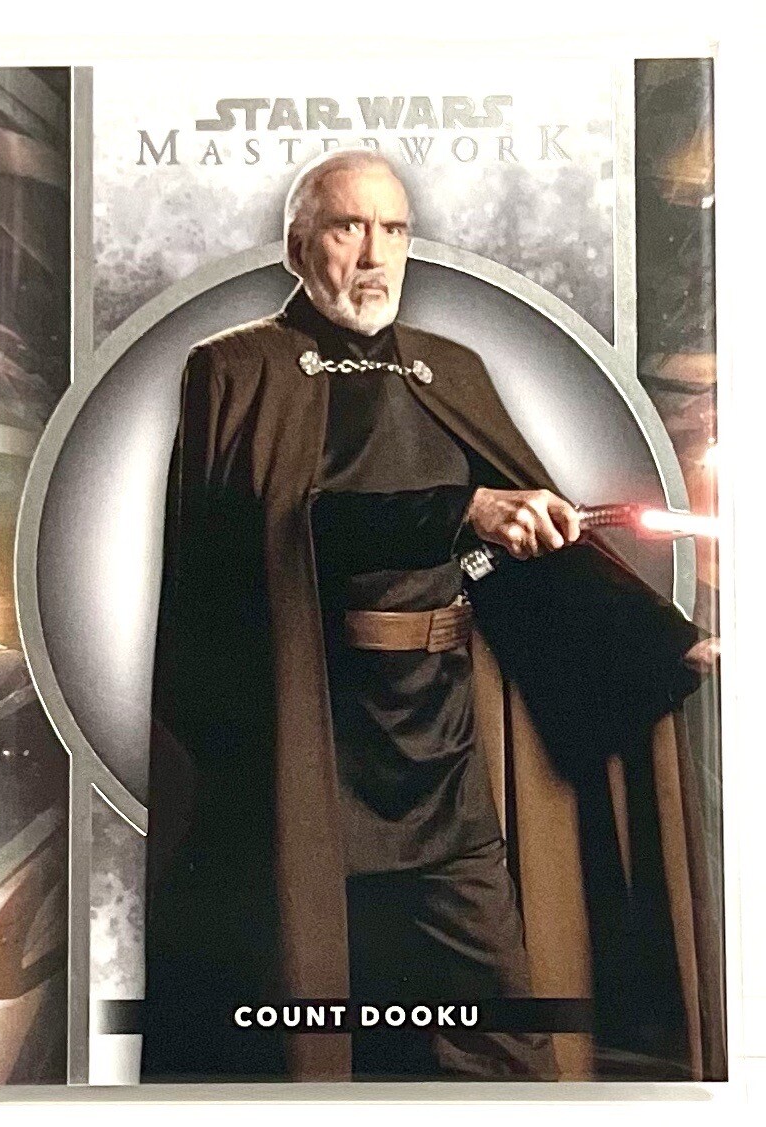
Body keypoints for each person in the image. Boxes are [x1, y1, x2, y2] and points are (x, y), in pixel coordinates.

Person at [142, 150, 722, 1085]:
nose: (375, 254)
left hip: (437, 751)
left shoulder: (447, 369)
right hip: (305, 748)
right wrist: (462, 509)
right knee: (314, 1019)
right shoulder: (237, 370)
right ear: (297, 247)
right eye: (348, 227)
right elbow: (276, 531)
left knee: (497, 1028)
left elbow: (524, 558)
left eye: (394, 230)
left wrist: (659, 642)